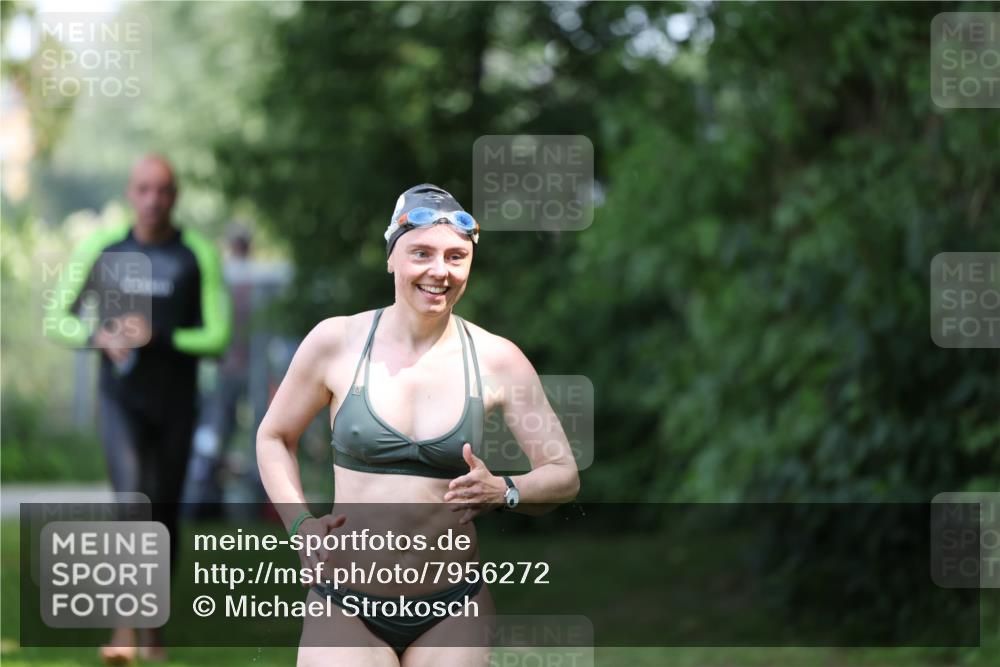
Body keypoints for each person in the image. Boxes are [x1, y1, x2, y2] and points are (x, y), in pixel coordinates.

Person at [256, 184, 580, 666]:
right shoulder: (336, 342)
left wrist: (505, 490)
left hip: (454, 605)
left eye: (456, 257)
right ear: (391, 258)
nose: (439, 271)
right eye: (421, 253)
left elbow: (563, 472)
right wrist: (300, 523)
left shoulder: (498, 359)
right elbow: (274, 436)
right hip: (347, 600)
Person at [44, 154, 232, 664]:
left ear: (176, 196)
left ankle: (153, 632)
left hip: (176, 404)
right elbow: (55, 319)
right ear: (131, 193)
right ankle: (124, 631)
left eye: (164, 190)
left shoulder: (196, 255)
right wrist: (97, 336)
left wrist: (160, 336)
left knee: (164, 513)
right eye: (144, 189)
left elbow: (218, 335)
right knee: (132, 504)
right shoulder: (102, 251)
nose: (154, 199)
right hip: (120, 401)